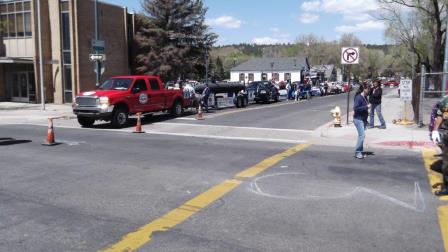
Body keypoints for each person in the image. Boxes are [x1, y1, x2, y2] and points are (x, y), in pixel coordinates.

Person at [430, 96, 448, 196]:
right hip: (447, 135)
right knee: (446, 163)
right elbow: (440, 116)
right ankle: (447, 186)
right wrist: (435, 130)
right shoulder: (445, 101)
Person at [353, 83, 371, 159]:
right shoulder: (358, 97)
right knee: (362, 136)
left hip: (362, 119)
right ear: (364, 89)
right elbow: (356, 108)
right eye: (368, 89)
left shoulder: (365, 97)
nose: (369, 90)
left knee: (361, 136)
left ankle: (360, 151)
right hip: (358, 119)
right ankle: (358, 152)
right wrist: (366, 107)